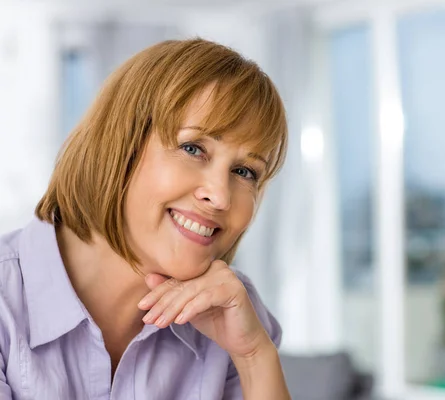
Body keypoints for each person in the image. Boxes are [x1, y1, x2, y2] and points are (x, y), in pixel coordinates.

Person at [0, 38, 290, 399]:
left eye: (245, 171)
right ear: (119, 145)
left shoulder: (237, 315)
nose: (219, 195)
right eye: (193, 148)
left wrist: (254, 357)